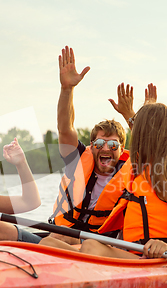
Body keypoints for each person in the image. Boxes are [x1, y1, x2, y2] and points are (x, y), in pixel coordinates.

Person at [79, 103, 167, 259]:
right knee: (53, 244)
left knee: (90, 246)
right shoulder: (141, 171)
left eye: (137, 128)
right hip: (136, 255)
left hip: (155, 261)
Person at [39, 46, 131, 249]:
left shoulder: (133, 171)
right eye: (99, 143)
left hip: (99, 246)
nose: (105, 148)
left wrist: (130, 117)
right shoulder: (78, 159)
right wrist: (67, 89)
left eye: (113, 144)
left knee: (55, 242)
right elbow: (65, 128)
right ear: (92, 146)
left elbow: (155, 147)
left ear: (122, 148)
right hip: (59, 235)